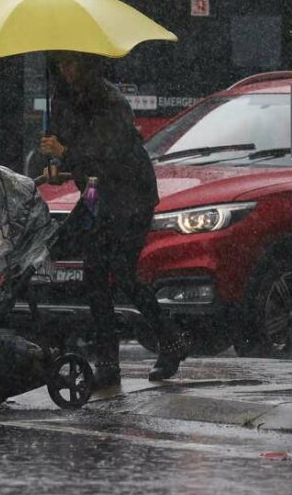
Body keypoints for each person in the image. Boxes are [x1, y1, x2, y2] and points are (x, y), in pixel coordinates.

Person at [38, 51, 189, 387]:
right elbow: (72, 150)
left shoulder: (111, 101)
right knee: (93, 275)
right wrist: (55, 164)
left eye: (73, 63)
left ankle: (171, 340)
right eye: (61, 65)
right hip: (95, 193)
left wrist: (67, 154)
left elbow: (108, 154)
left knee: (121, 271)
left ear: (88, 65)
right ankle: (108, 362)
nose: (67, 70)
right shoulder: (61, 99)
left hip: (130, 193)